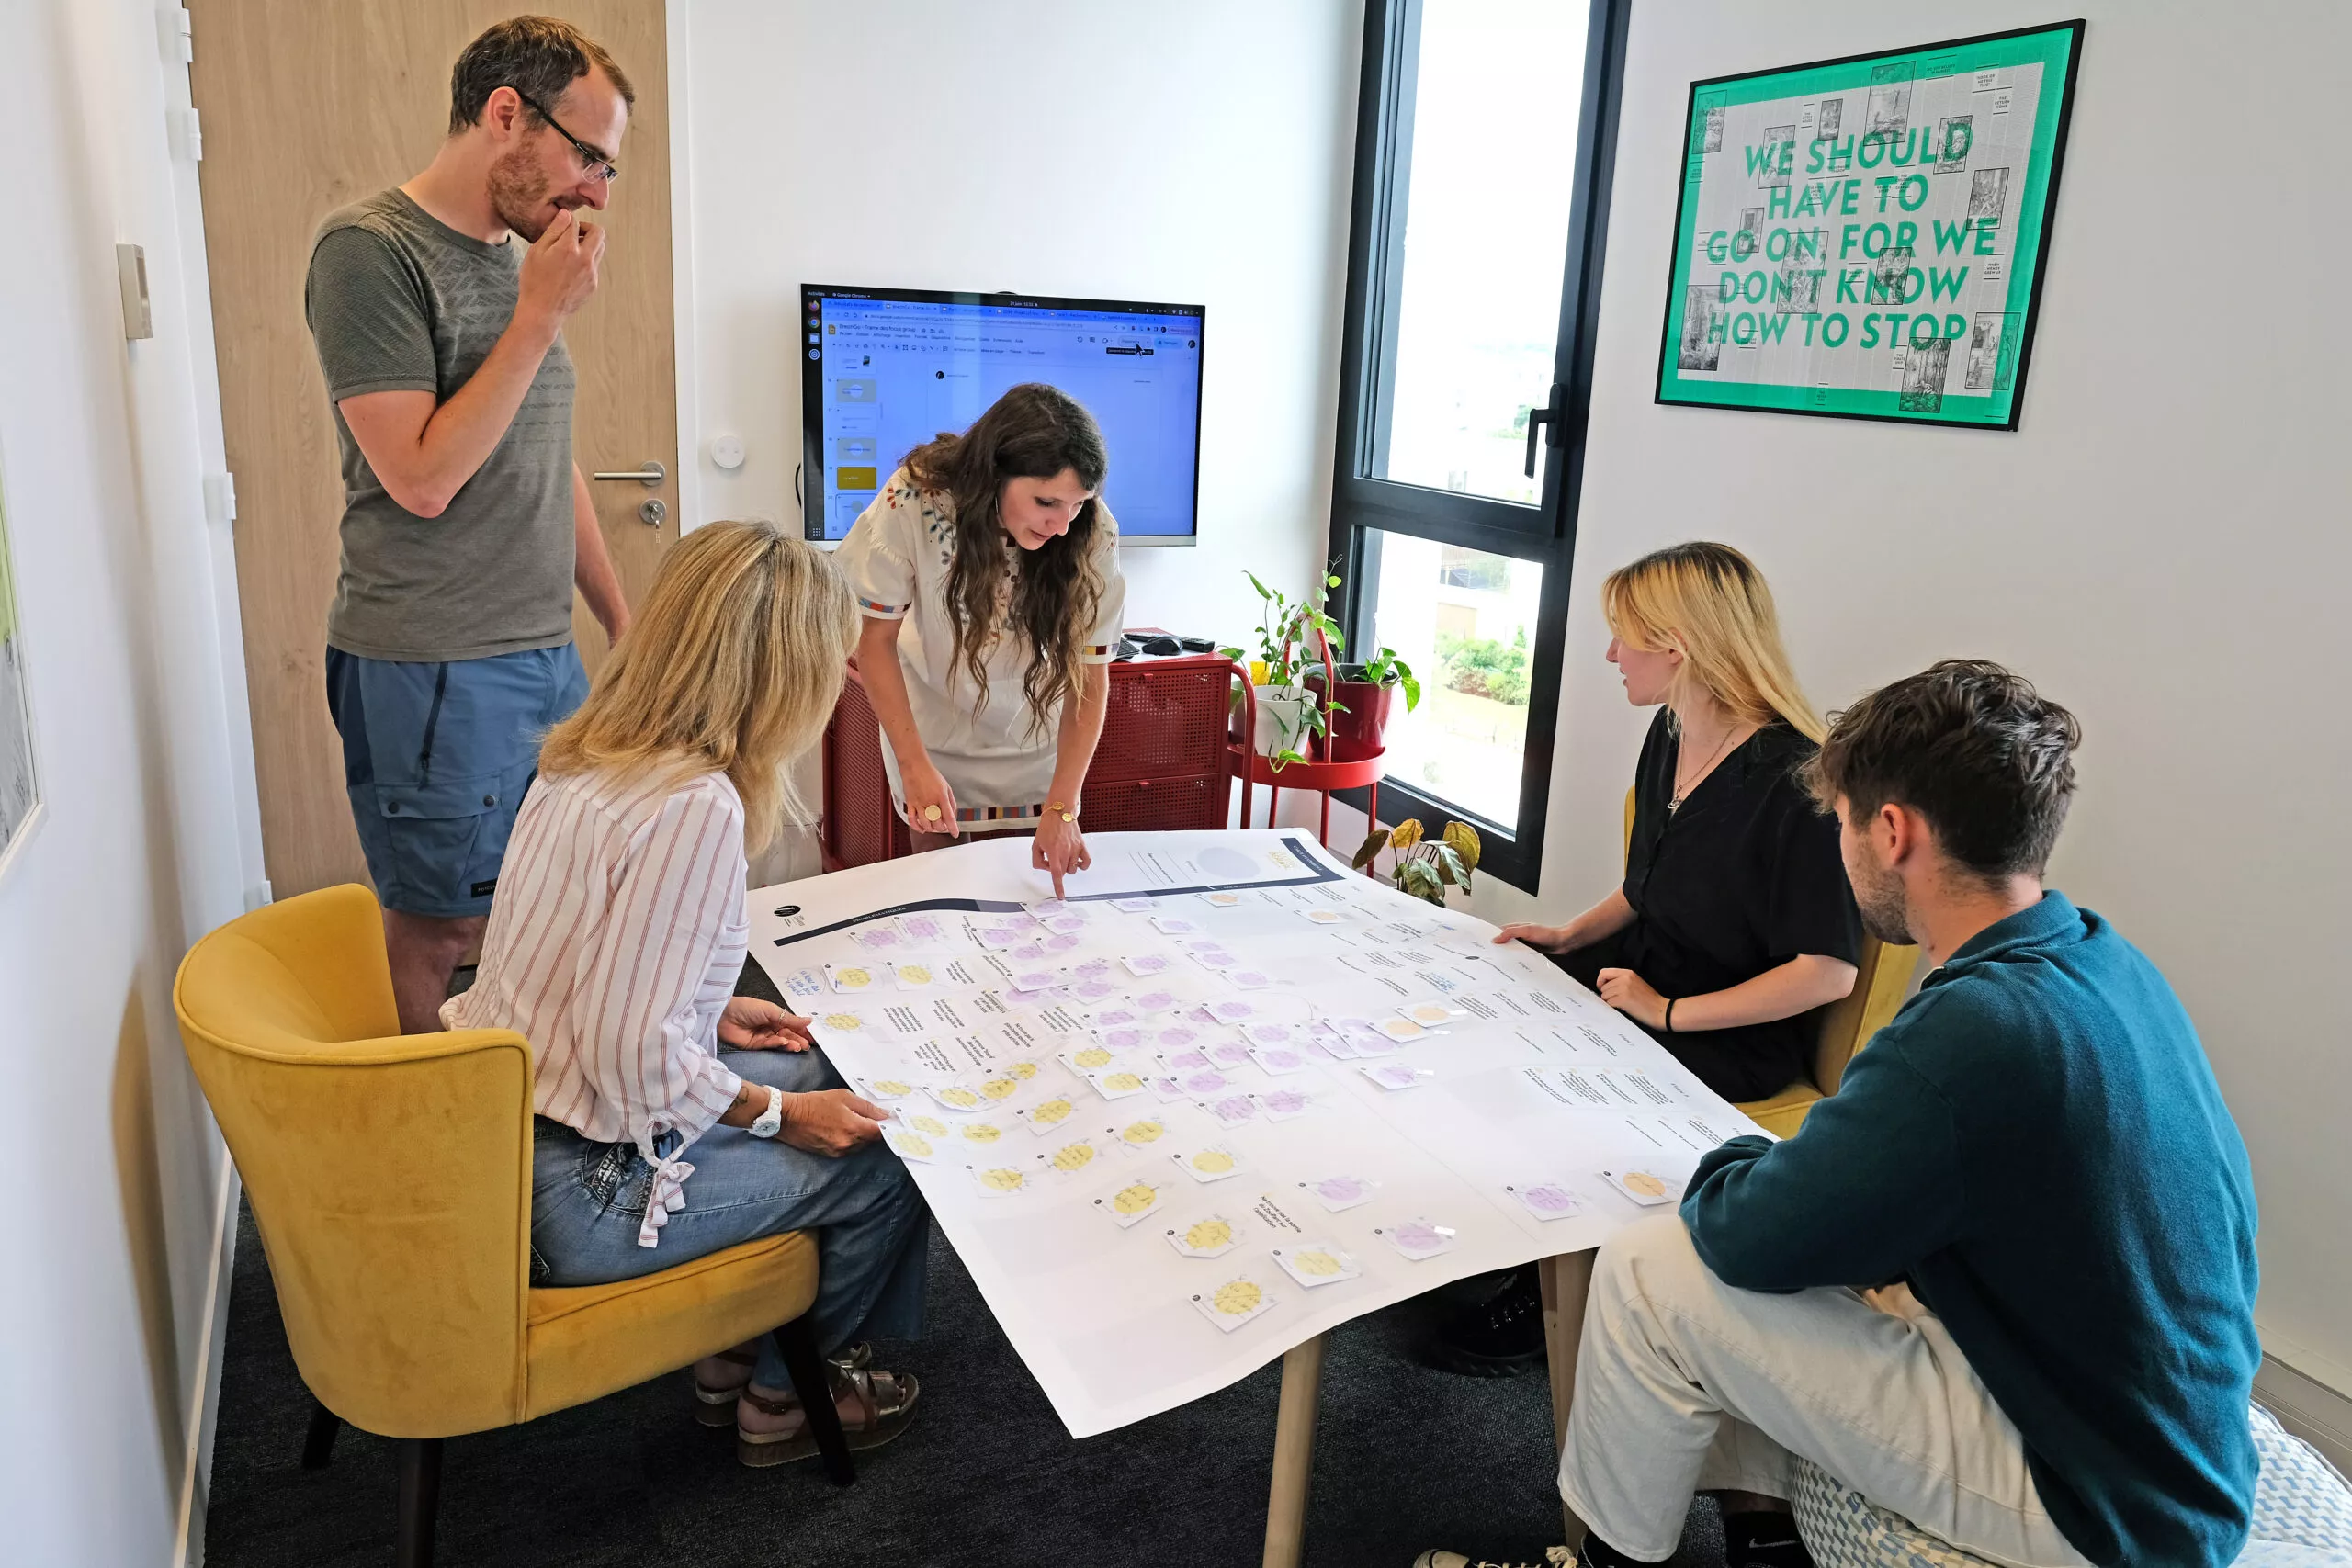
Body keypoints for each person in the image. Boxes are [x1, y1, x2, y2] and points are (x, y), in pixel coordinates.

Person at [1418, 660, 2262, 1568]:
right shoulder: (2103, 960)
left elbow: (1747, 1232)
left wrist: (1729, 1162)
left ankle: (1600, 1560)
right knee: (1786, 1269)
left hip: (2104, 1501)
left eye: (1843, 825)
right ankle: (1764, 1538)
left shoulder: (1972, 1032)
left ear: (1891, 831)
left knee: (1648, 1265)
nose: (1839, 848)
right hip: (2157, 1438)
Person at [445, 521, 929, 1467]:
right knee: (888, 1153)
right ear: (777, 674)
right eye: (830, 663)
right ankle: (787, 1399)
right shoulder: (693, 806)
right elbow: (633, 1059)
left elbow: (584, 976)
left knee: (825, 1065)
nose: (841, 684)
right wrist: (776, 1115)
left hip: (499, 1130)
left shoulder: (589, 751)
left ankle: (731, 1351)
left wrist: (709, 1011)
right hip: (571, 1189)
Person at [1429, 543, 1863, 1376]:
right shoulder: (1669, 735)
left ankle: (1551, 1282)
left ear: (1680, 645)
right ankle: (1509, 1223)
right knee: (1494, 990)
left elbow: (1827, 971)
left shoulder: (1797, 782)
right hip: (1644, 973)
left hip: (1723, 1023)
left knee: (1553, 1065)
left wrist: (1665, 1011)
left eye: (1622, 636)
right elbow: (1644, 885)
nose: (1609, 654)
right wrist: (1566, 935)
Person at [308, 16, 636, 1032]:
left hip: (542, 654)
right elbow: (418, 478)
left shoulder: (517, 259)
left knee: (550, 905)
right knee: (442, 927)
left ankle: (533, 1127)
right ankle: (423, 1157)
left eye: (608, 170)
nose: (592, 189)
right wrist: (539, 316)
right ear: (506, 115)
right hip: (434, 663)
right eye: (586, 155)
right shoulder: (369, 252)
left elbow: (545, 453)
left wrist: (622, 625)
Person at [836, 383, 1127, 897]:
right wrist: (914, 764)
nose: (1062, 526)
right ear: (996, 472)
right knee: (944, 900)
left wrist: (1065, 804)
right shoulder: (915, 501)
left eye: (1078, 504)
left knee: (1027, 907)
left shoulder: (1090, 531)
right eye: (1046, 502)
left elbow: (1090, 673)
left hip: (1038, 748)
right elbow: (872, 640)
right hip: (931, 743)